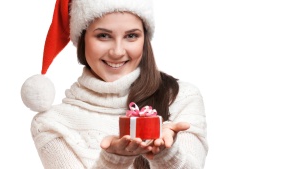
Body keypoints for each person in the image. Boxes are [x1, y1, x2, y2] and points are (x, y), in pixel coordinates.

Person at [21, 0, 208, 168]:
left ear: (144, 40)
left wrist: (166, 155)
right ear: (82, 40)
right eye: (103, 36)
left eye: (131, 36)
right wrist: (114, 161)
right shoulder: (51, 123)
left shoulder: (181, 98)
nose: (117, 51)